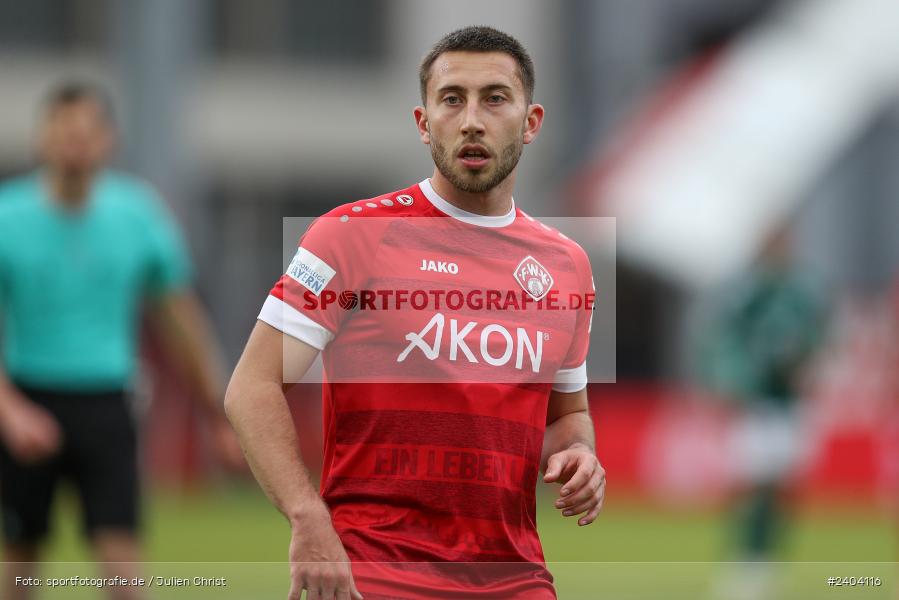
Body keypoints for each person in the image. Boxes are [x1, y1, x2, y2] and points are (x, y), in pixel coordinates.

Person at [226, 26, 606, 600]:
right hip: (375, 571)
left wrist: (581, 455)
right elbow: (251, 387)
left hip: (516, 578)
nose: (472, 119)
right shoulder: (353, 235)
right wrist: (308, 518)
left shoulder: (568, 264)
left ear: (531, 123)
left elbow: (566, 416)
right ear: (424, 122)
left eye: (495, 98)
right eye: (452, 99)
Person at [0, 82, 242, 600]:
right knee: (18, 566)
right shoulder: (7, 217)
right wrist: (10, 409)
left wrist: (217, 414)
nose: (74, 144)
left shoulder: (137, 215)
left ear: (108, 140)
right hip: (26, 397)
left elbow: (182, 322)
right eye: (63, 132)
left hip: (107, 404)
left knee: (122, 567)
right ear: (42, 138)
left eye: (86, 133)